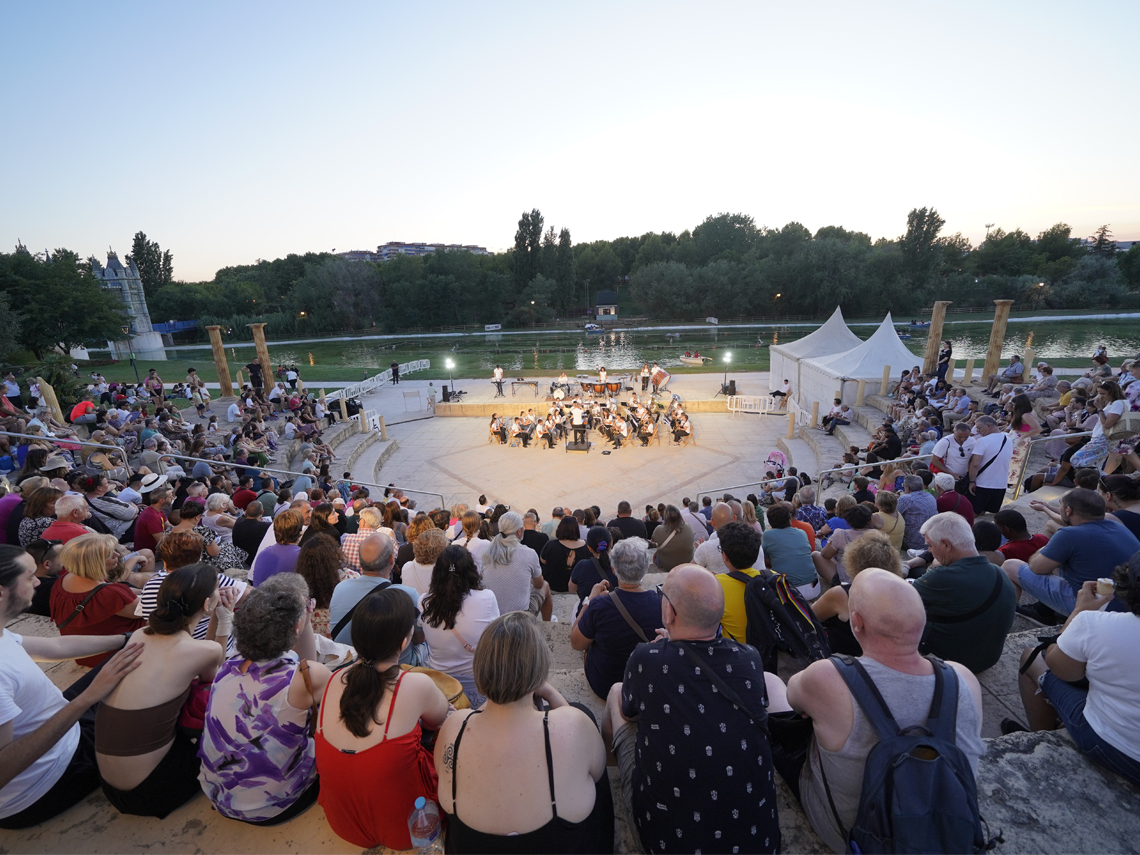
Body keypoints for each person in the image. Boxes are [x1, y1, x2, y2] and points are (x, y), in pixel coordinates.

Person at [780, 568, 985, 853]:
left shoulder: (828, 678)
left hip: (854, 838)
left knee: (772, 689)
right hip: (946, 831)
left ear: (857, 623)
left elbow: (793, 699)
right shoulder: (963, 679)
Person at [602, 564, 781, 854]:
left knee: (616, 692)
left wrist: (663, 651)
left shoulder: (647, 658)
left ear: (670, 613)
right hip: (757, 841)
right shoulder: (749, 657)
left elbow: (629, 710)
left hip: (666, 840)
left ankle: (612, 772)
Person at [435, 611, 614, 853]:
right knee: (584, 718)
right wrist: (550, 694)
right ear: (539, 674)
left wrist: (496, 689)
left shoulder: (454, 727)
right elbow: (597, 769)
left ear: (480, 674)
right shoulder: (574, 724)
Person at [0, 545, 144, 829]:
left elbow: (54, 646)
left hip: (62, 726)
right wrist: (87, 698)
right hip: (48, 781)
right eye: (30, 577)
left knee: (135, 656)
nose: (39, 582)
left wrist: (127, 638)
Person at [96, 564, 233, 817]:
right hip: (153, 790)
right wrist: (224, 620)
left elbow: (202, 654)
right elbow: (214, 681)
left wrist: (215, 614)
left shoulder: (139, 635)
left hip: (111, 786)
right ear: (206, 604)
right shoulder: (199, 651)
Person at [316, 587, 447, 850]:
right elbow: (439, 719)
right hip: (406, 829)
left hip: (343, 823)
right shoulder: (415, 685)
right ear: (403, 643)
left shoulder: (333, 679)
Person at [198, 574, 330, 824]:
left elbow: (303, 667)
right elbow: (310, 668)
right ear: (296, 628)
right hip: (275, 805)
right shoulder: (306, 677)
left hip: (219, 797)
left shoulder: (227, 666)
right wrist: (306, 620)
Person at [1008, 554, 1140, 786]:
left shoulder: (1096, 624)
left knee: (1031, 656)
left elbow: (1060, 668)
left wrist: (1079, 611)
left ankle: (1043, 740)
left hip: (1117, 748)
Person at [1002, 489, 1139, 618]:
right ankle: (1043, 612)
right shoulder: (1119, 526)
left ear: (1068, 510)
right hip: (1128, 604)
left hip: (1097, 608)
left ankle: (1003, 618)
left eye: (1061, 505)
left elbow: (1036, 568)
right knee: (1057, 564)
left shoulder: (1069, 535)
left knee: (1010, 566)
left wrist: (1043, 549)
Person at [912, 513, 1017, 673]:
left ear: (946, 545)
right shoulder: (999, 572)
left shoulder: (941, 576)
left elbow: (897, 600)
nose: (929, 550)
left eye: (930, 545)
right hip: (987, 659)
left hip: (951, 662)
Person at [571, 537, 661, 698]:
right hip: (643, 685)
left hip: (604, 684)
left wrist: (588, 601)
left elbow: (576, 643)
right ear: (646, 568)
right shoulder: (662, 605)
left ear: (613, 569)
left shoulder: (599, 605)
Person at [420, 545, 499, 708]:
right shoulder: (487, 598)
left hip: (439, 685)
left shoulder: (423, 602)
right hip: (476, 685)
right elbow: (495, 639)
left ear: (437, 573)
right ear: (471, 571)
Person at [50, 534, 146, 667]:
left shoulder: (62, 581)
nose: (116, 555)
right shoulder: (108, 594)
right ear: (93, 563)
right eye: (108, 555)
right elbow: (143, 611)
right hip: (112, 655)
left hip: (85, 653)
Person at [812, 531, 903, 656]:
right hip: (887, 658)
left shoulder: (842, 594)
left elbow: (811, 616)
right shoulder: (904, 592)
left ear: (853, 562)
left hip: (847, 662)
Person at [481, 511, 551, 620]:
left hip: (493, 615)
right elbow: (539, 584)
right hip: (520, 619)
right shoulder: (529, 553)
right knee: (545, 585)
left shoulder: (487, 551)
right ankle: (548, 623)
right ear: (519, 531)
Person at [711, 521, 766, 642]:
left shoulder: (716, 585)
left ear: (725, 556)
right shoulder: (773, 577)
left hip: (740, 652)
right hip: (773, 649)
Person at [761, 503, 818, 596]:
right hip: (814, 588)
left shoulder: (767, 535)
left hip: (789, 592)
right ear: (789, 519)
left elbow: (766, 561)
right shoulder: (802, 533)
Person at [966, 416, 1014, 516]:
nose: (977, 430)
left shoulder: (983, 441)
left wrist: (971, 481)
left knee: (971, 513)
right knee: (984, 512)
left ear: (988, 426)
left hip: (983, 484)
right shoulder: (1007, 439)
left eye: (979, 427)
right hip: (1001, 484)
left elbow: (975, 464)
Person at [539, 514, 590, 593]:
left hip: (553, 586)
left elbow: (543, 560)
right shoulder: (586, 547)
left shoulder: (551, 545)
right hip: (577, 588)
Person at [649, 504, 695, 570]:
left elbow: (653, 541)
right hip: (686, 564)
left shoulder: (659, 530)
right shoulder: (688, 527)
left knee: (654, 556)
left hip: (667, 566)